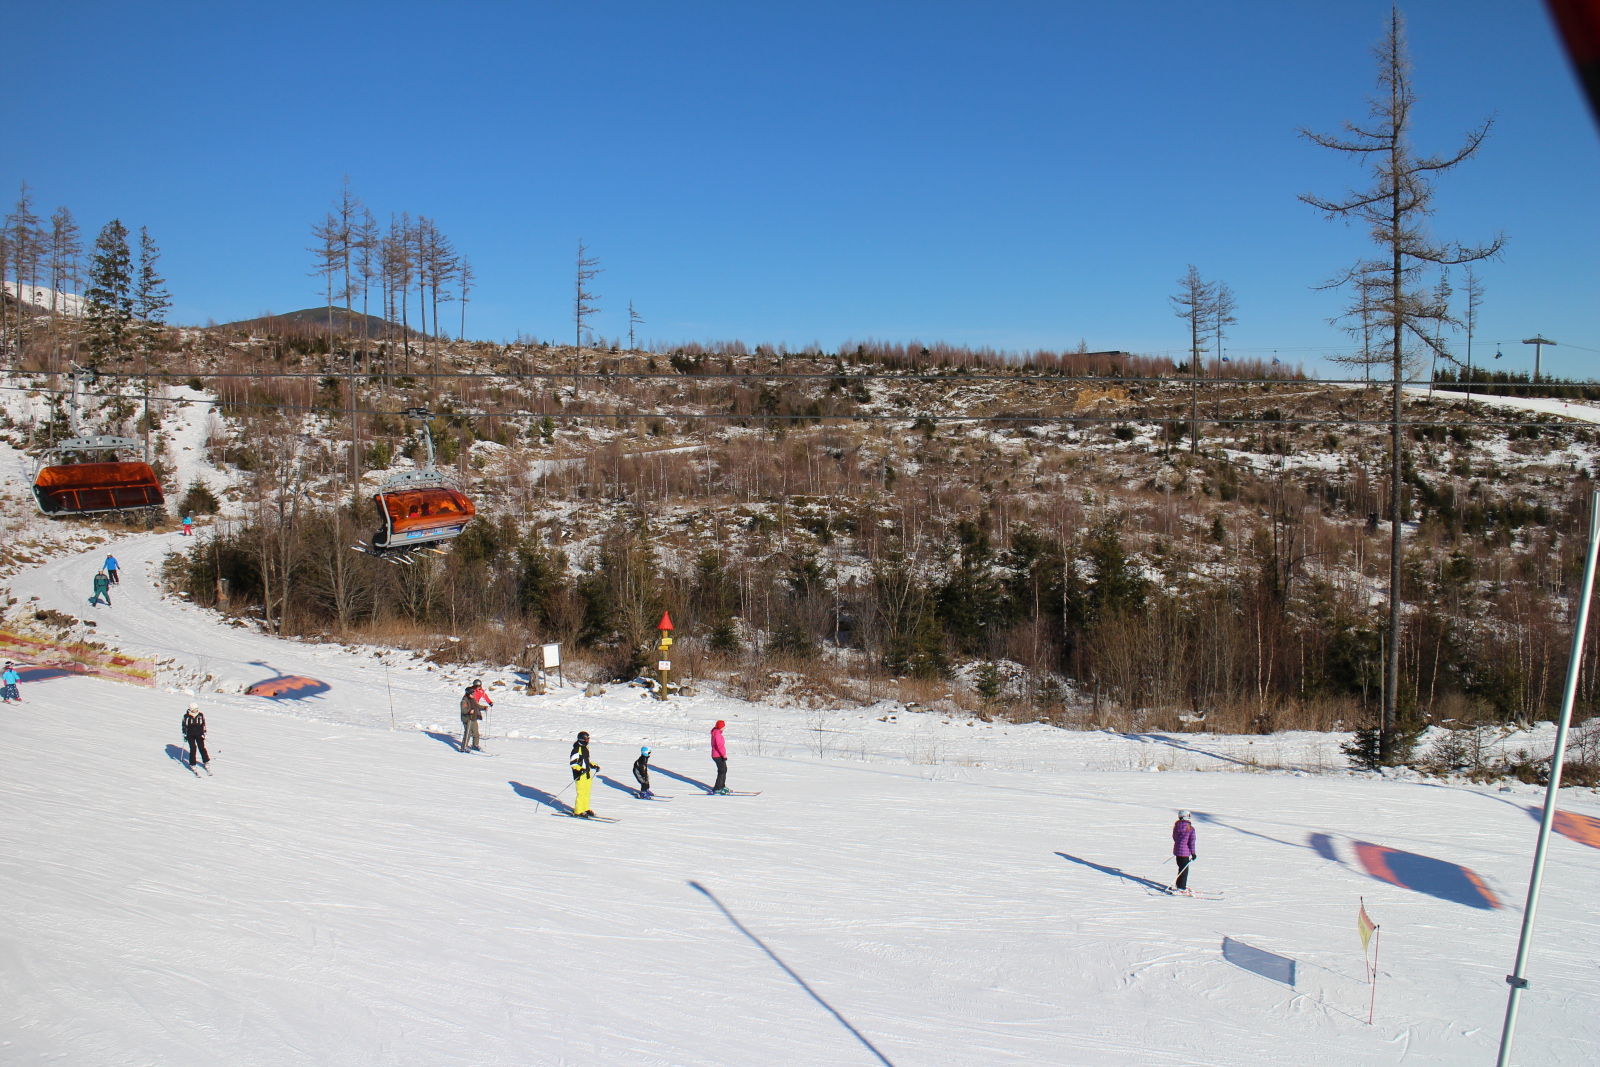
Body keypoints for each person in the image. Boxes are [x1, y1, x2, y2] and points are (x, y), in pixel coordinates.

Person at [570, 730, 599, 817]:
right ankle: (578, 811)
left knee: (587, 792)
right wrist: (580, 769)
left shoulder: (586, 748)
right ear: (582, 739)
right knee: (581, 793)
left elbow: (586, 761)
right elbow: (573, 763)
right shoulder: (576, 749)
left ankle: (585, 808)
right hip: (580, 775)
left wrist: (594, 765)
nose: (588, 741)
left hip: (587, 775)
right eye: (586, 739)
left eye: (588, 739)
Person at [1172, 810, 1198, 894]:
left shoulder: (1177, 826)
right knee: (1184, 870)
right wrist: (1193, 853)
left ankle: (1180, 885)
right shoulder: (1190, 829)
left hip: (1177, 851)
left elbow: (1175, 837)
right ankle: (1181, 888)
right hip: (1185, 853)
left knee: (1181, 868)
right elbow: (1191, 842)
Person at [182, 702, 210, 768]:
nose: (196, 710)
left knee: (202, 747)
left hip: (199, 734)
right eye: (195, 709)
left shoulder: (200, 715)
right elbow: (184, 726)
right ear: (191, 709)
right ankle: (192, 763)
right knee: (193, 748)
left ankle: (206, 761)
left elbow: (203, 724)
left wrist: (204, 733)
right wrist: (184, 734)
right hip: (190, 735)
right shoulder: (186, 716)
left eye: (197, 709)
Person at [458, 685, 483, 751]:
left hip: (473, 718)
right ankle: (464, 747)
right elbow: (463, 710)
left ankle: (475, 745)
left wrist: (484, 708)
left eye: (474, 693)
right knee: (467, 733)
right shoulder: (464, 701)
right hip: (467, 719)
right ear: (468, 693)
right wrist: (469, 711)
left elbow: (477, 706)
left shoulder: (473, 699)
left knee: (476, 733)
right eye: (472, 693)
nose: (473, 695)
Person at [710, 719, 728, 794]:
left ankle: (722, 786)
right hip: (718, 755)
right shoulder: (717, 734)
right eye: (723, 727)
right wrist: (723, 755)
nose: (724, 728)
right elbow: (719, 746)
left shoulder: (716, 733)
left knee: (724, 769)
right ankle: (717, 788)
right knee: (722, 771)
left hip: (717, 754)